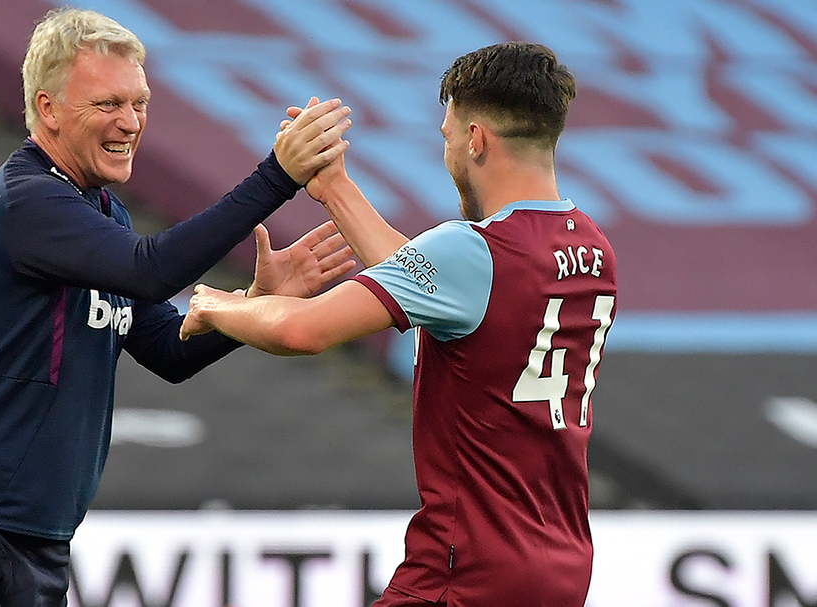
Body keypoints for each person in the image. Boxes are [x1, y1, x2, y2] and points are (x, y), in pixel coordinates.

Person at [0, 7, 355, 607]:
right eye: (108, 104)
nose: (130, 122)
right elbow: (152, 271)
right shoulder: (26, 203)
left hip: (26, 534)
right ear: (48, 108)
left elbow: (167, 350)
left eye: (140, 103)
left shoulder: (100, 213)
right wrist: (275, 178)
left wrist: (259, 304)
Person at [181, 42, 617, 606]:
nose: (449, 149)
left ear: (476, 139)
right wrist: (334, 187)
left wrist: (214, 304)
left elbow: (304, 330)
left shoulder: (476, 251)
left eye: (447, 135)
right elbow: (441, 288)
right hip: (561, 567)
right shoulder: (591, 245)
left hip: (467, 571)